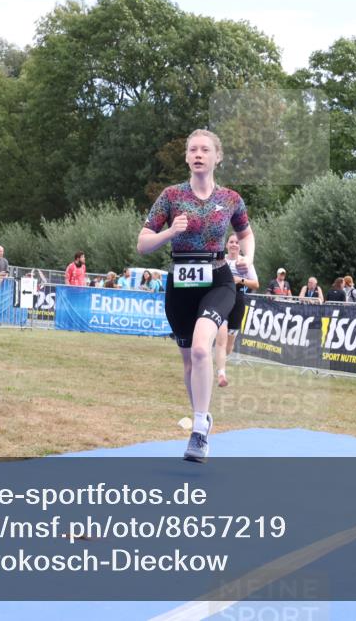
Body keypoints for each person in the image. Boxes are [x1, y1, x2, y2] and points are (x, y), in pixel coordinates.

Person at [137, 128, 253, 463]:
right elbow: (142, 244)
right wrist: (170, 232)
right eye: (192, 150)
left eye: (205, 150)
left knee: (203, 348)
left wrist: (247, 258)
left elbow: (247, 234)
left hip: (217, 279)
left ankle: (199, 430)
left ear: (218, 157)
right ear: (187, 157)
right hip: (180, 284)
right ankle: (202, 416)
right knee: (189, 361)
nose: (198, 154)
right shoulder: (172, 197)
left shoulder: (231, 199)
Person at [215, 233, 259, 387]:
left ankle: (222, 361)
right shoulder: (220, 261)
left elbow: (256, 284)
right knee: (221, 337)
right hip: (221, 299)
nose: (234, 244)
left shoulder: (244, 263)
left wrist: (240, 280)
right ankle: (221, 373)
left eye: (236, 242)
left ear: (240, 246)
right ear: (227, 245)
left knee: (228, 346)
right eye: (231, 242)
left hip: (238, 301)